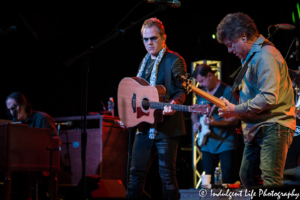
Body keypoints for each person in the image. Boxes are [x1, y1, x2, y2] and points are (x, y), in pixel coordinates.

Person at [216, 12, 296, 189]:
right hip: (258, 126)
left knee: (271, 181)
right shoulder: (250, 57)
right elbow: (252, 95)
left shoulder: (265, 55)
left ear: (243, 37)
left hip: (274, 125)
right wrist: (230, 106)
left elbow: (269, 97)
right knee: (247, 176)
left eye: (230, 45)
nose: (229, 50)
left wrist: (235, 110)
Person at [126, 18, 187, 200]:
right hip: (144, 126)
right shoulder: (143, 63)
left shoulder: (175, 60)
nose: (149, 43)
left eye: (153, 38)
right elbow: (136, 94)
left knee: (167, 176)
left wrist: (174, 104)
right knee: (135, 174)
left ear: (163, 37)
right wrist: (128, 114)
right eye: (145, 39)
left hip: (166, 127)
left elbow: (181, 91)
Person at [6, 91, 60, 200]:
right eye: (9, 110)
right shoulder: (18, 124)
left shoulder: (42, 118)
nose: (12, 113)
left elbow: (56, 142)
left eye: (14, 108)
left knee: (21, 174)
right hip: (24, 164)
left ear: (23, 105)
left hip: (42, 165)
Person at [191, 64, 239, 184]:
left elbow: (235, 118)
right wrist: (196, 123)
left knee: (228, 179)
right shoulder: (201, 93)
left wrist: (215, 123)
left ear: (209, 76)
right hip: (207, 144)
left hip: (226, 143)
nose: (200, 85)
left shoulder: (227, 91)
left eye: (201, 81)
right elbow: (194, 113)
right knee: (208, 181)